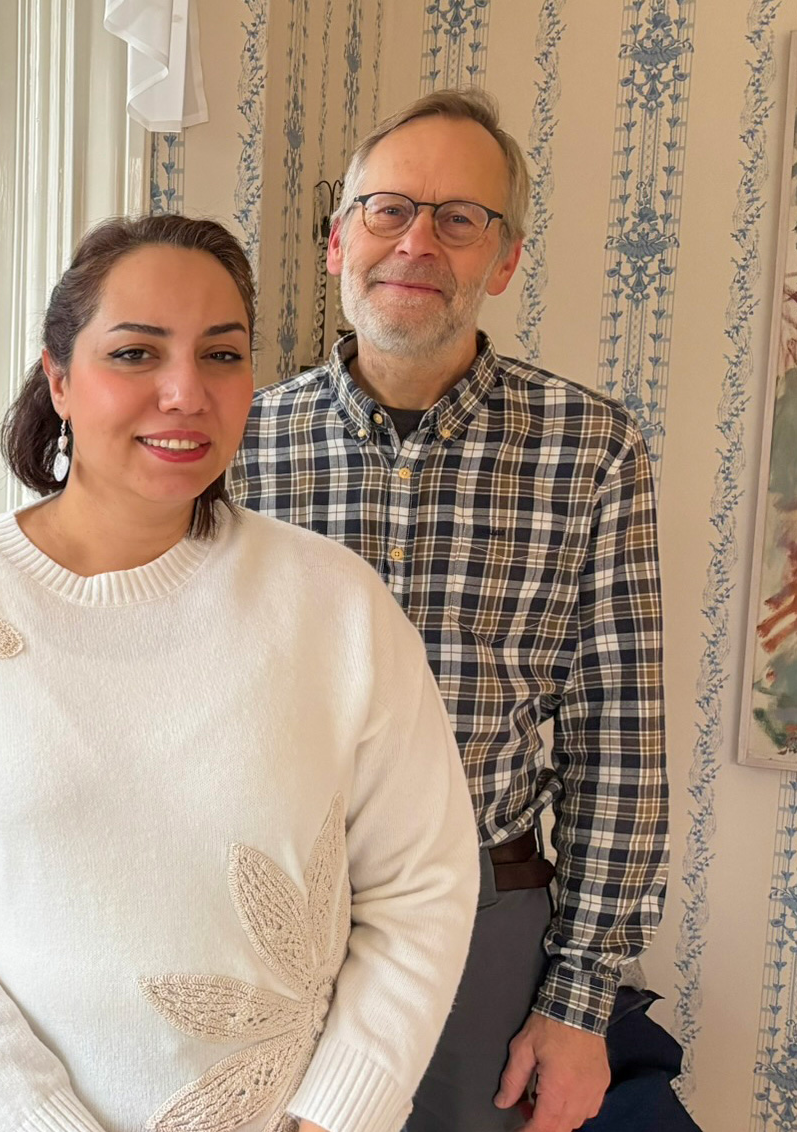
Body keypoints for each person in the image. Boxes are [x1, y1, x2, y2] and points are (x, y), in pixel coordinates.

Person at [0, 214, 480, 1132]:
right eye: (134, 354)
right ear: (58, 377)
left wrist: (334, 1115)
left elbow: (422, 885)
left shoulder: (335, 606)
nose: (184, 393)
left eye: (221, 356)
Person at [229, 88, 667, 1132]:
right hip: (261, 904)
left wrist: (578, 1006)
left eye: (458, 219)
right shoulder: (237, 441)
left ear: (503, 261)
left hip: (486, 918)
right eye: (388, 210)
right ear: (340, 239)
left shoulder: (591, 449)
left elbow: (619, 743)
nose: (416, 242)